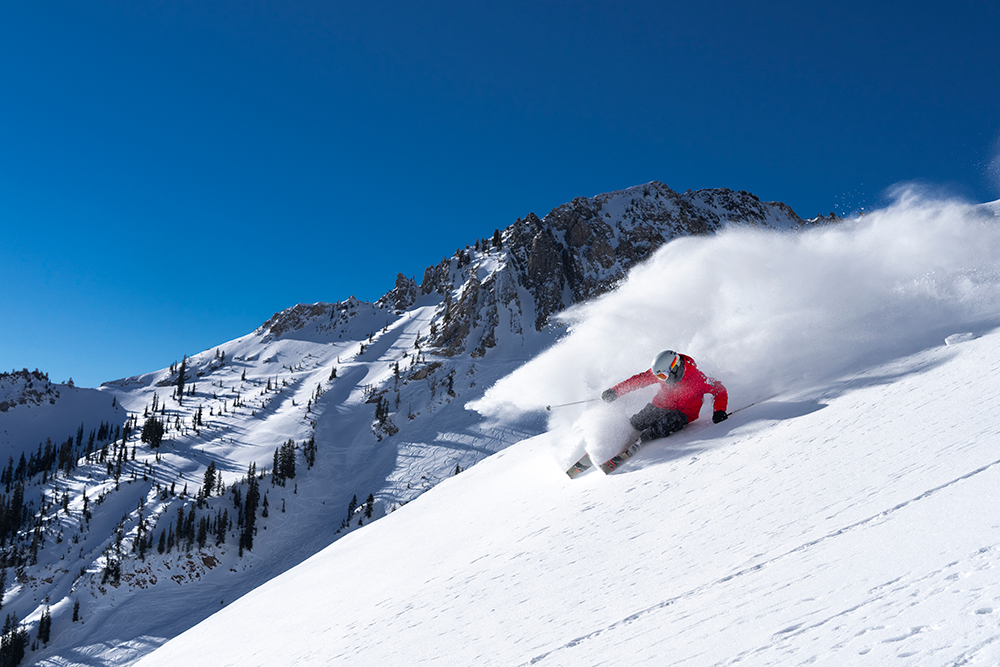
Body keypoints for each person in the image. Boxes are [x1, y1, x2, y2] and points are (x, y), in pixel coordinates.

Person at [602, 350, 729, 444]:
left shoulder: (697, 379)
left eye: (662, 376)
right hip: (661, 405)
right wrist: (615, 391)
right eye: (659, 377)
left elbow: (719, 390)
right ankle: (624, 435)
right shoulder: (660, 373)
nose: (660, 379)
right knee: (638, 421)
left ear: (674, 370)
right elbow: (637, 381)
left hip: (683, 413)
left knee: (666, 424)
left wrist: (719, 410)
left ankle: (642, 441)